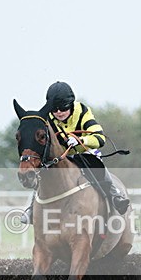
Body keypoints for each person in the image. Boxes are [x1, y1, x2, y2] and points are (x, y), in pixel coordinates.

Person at [20, 81, 130, 223]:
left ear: (71, 104)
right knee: (43, 174)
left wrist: (81, 141)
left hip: (84, 152)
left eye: (63, 108)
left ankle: (115, 195)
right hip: (60, 157)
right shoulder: (47, 118)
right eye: (55, 109)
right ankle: (31, 208)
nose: (59, 112)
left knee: (96, 165)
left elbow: (100, 138)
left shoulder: (83, 112)